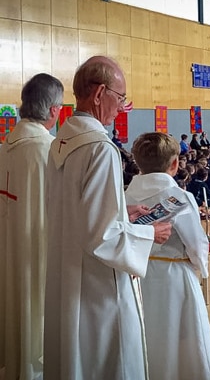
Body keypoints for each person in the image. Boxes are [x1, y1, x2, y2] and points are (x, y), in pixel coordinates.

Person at [44, 56, 172, 379]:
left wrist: (119, 210)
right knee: (106, 360)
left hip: (64, 270)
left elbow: (71, 208)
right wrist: (149, 234)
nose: (121, 107)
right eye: (120, 98)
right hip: (95, 286)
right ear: (100, 94)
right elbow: (102, 237)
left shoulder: (60, 141)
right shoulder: (100, 148)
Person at [125, 132, 210, 379]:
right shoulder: (180, 197)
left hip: (135, 277)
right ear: (175, 163)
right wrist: (201, 266)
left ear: (137, 162)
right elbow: (196, 243)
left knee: (146, 337)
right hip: (174, 275)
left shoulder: (125, 197)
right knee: (180, 341)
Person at [0, 73, 63, 380]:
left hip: (8, 249)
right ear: (54, 110)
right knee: (35, 323)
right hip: (38, 253)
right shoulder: (46, 150)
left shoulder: (5, 145)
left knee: (14, 316)